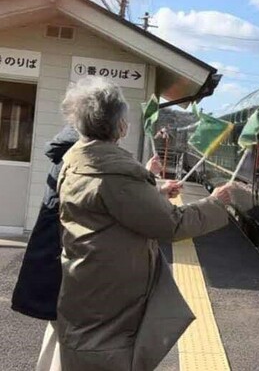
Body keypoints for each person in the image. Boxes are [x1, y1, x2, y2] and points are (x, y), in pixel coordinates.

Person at [39, 76, 240, 371]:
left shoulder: (74, 162)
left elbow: (100, 207)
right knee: (105, 356)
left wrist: (154, 191)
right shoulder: (116, 176)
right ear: (120, 126)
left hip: (82, 286)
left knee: (80, 350)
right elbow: (172, 225)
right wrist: (217, 203)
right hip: (112, 300)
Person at [11, 127, 163, 322]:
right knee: (72, 341)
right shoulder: (86, 158)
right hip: (71, 271)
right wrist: (149, 179)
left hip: (56, 267)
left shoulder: (70, 153)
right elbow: (115, 200)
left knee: (61, 337)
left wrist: (150, 181)